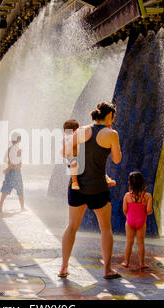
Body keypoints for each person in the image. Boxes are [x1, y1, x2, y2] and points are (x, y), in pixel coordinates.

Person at [59, 101, 122, 280]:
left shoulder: (80, 131)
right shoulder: (111, 134)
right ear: (110, 116)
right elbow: (117, 159)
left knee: (71, 226)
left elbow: (64, 151)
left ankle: (64, 267)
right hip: (98, 187)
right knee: (105, 228)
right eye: (113, 117)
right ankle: (107, 269)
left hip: (77, 186)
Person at [63, 119, 116, 191]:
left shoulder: (80, 135)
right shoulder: (66, 139)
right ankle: (74, 182)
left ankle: (106, 177)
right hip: (73, 159)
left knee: (96, 162)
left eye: (74, 132)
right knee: (74, 165)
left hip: (82, 158)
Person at [121, 171, 153, 270]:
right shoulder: (147, 196)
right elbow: (149, 210)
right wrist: (143, 214)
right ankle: (142, 263)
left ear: (130, 183)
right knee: (141, 243)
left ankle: (126, 262)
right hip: (141, 221)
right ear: (142, 182)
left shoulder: (127, 196)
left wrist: (130, 217)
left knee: (129, 242)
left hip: (130, 221)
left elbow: (124, 210)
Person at [0, 132, 25, 213]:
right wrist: (10, 167)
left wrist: (9, 167)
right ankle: (22, 207)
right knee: (19, 189)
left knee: (7, 188)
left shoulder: (10, 149)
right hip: (14, 172)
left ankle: (1, 204)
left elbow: (6, 160)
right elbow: (15, 162)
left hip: (12, 171)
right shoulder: (17, 149)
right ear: (19, 140)